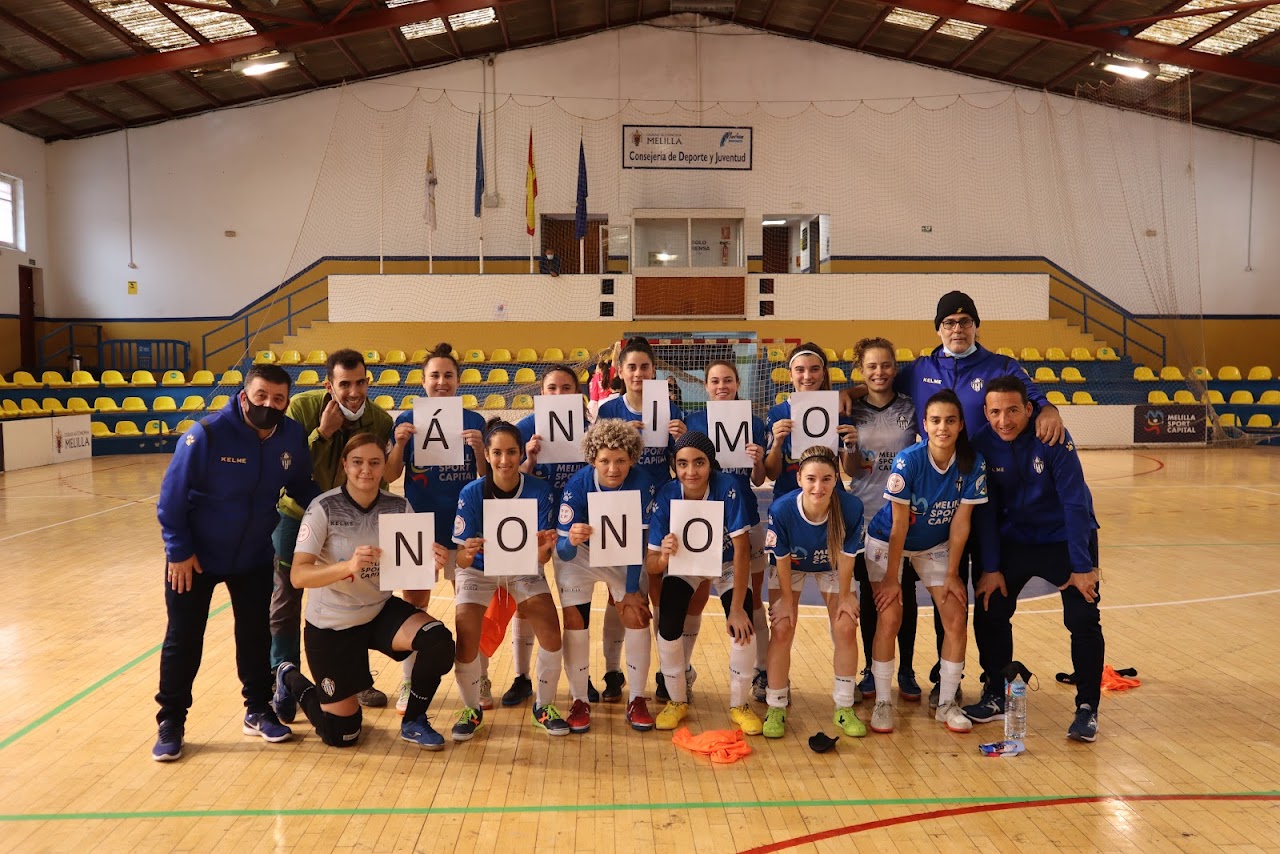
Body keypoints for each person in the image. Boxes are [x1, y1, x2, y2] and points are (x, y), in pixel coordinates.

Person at [840, 292, 1063, 709]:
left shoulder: (1000, 366)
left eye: (964, 321)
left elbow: (1030, 394)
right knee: (916, 590)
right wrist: (847, 393)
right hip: (929, 496)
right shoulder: (921, 368)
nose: (957, 328)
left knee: (970, 591)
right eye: (949, 322)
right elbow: (880, 382)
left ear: (975, 325)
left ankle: (975, 680)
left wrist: (1048, 407)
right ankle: (913, 675)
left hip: (985, 492)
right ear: (938, 328)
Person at [152, 364, 320, 761]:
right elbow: (171, 498)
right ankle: (171, 720)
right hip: (195, 559)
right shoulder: (206, 435)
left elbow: (302, 486)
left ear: (286, 401)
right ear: (245, 395)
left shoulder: (292, 436)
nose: (268, 404)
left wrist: (336, 510)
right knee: (183, 639)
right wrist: (178, 550)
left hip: (254, 556)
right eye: (261, 395)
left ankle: (257, 710)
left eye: (278, 399)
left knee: (255, 636)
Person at [272, 434, 456, 749]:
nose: (366, 470)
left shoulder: (399, 507)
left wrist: (432, 563)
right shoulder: (323, 508)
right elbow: (299, 575)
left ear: (385, 467)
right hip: (332, 624)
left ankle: (413, 720)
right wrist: (347, 566)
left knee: (438, 641)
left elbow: (413, 577)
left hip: (377, 611)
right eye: (357, 462)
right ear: (345, 465)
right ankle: (288, 676)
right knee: (342, 735)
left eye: (374, 462)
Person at [963, 375, 1104, 742]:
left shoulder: (1053, 437)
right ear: (985, 412)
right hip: (1016, 540)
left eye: (1012, 410)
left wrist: (1082, 566)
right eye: (995, 412)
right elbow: (987, 513)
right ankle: (995, 691)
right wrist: (991, 567)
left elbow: (1075, 503)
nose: (1004, 420)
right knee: (991, 607)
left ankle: (1087, 707)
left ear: (1029, 408)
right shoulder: (981, 444)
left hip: (1064, 538)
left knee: (1083, 617)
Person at [270, 348, 394, 709]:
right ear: (329, 385)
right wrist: (321, 434)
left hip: (352, 519)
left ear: (368, 382)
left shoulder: (380, 420)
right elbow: (289, 468)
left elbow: (379, 478)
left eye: (360, 383)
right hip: (297, 514)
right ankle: (284, 677)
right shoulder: (302, 409)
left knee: (358, 592)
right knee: (286, 597)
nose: (353, 392)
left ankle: (355, 680)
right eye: (345, 384)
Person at [863, 390, 988, 735]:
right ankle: (883, 703)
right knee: (890, 616)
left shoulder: (973, 462)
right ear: (925, 425)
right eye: (935, 420)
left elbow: (961, 523)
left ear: (961, 425)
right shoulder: (909, 460)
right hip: (887, 542)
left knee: (956, 616)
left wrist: (953, 575)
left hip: (934, 545)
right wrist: (892, 578)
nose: (943, 427)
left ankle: (947, 702)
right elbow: (900, 524)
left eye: (950, 420)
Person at [385, 342, 489, 713]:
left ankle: (480, 676)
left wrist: (479, 449)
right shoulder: (406, 420)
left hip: (467, 526)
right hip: (418, 526)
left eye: (448, 375)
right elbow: (391, 474)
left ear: (458, 381)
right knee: (414, 603)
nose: (441, 382)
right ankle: (409, 680)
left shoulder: (475, 422)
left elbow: (485, 478)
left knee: (472, 605)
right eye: (435, 376)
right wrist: (398, 444)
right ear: (423, 381)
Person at [451, 418, 568, 738]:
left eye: (512, 452)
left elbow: (541, 557)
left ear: (521, 454)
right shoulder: (472, 493)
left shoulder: (539, 490)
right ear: (486, 455)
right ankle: (471, 708)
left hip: (522, 567)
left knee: (549, 623)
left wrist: (544, 549)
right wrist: (469, 552)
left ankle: (543, 706)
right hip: (479, 569)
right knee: (466, 626)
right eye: (498, 453)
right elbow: (459, 557)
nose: (505, 460)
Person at [646, 432, 756, 733]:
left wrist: (736, 608)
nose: (691, 471)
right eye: (682, 464)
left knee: (743, 628)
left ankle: (739, 704)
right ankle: (677, 700)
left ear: (711, 464)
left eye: (699, 463)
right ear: (674, 465)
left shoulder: (728, 488)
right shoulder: (668, 494)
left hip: (727, 563)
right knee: (667, 627)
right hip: (687, 565)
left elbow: (743, 550)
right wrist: (665, 556)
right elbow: (651, 562)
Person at [556, 419, 659, 731]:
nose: (613, 469)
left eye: (620, 461)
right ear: (592, 459)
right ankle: (579, 699)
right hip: (582, 557)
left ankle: (637, 698)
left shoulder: (644, 483)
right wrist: (572, 539)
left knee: (637, 613)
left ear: (632, 458)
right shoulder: (577, 485)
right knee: (575, 620)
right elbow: (562, 553)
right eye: (605, 461)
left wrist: (630, 591)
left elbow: (639, 543)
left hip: (624, 556)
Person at [516, 365, 605, 706]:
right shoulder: (526, 428)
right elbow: (512, 478)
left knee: (577, 608)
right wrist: (528, 459)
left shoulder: (591, 429)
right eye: (551, 387)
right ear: (541, 392)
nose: (558, 393)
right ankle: (521, 677)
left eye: (566, 387)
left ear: (578, 392)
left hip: (576, 530)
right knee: (526, 606)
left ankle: (582, 680)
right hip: (535, 527)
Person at [763, 446, 866, 738]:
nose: (818, 487)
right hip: (791, 567)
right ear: (799, 479)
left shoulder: (851, 507)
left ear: (836, 479)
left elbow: (848, 556)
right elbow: (781, 559)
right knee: (782, 627)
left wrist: (845, 596)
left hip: (831, 563)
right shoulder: (782, 509)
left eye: (826, 479)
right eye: (810, 479)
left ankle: (844, 707)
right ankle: (776, 704)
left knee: (846, 626)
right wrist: (785, 601)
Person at [684, 359, 771, 701]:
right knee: (696, 596)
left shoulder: (754, 421)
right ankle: (683, 671)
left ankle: (762, 672)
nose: (722, 386)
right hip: (701, 518)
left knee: (752, 598)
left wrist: (758, 459)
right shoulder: (693, 422)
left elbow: (760, 480)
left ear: (737, 384)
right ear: (706, 386)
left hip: (744, 516)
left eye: (728, 380)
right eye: (715, 381)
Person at [843, 338, 922, 704]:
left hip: (903, 516)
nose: (879, 372)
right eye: (872, 366)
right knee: (870, 595)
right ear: (861, 370)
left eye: (886, 365)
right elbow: (849, 470)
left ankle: (905, 669)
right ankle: (872, 670)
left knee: (902, 593)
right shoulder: (850, 410)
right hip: (865, 515)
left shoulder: (911, 405)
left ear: (895, 366)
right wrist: (852, 447)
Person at [766, 341, 858, 500]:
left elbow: (851, 471)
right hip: (788, 500)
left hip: (831, 499)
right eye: (800, 370)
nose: (807, 376)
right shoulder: (777, 413)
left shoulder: (837, 410)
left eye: (814, 369)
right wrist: (776, 444)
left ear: (823, 373)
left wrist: (851, 447)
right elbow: (772, 474)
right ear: (790, 374)